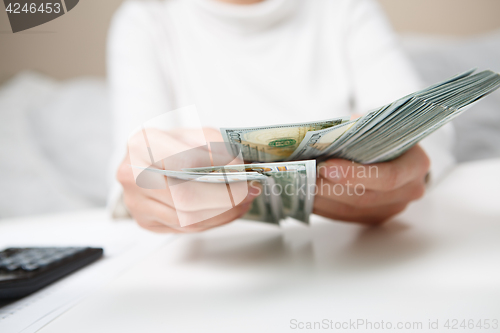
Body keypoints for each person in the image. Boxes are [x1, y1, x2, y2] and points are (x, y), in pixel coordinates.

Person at [107, 0, 455, 233]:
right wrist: (140, 191)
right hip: (210, 267)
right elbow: (138, 160)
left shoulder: (346, 6)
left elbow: (424, 128)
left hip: (361, 245)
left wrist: (409, 171)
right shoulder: (145, 18)